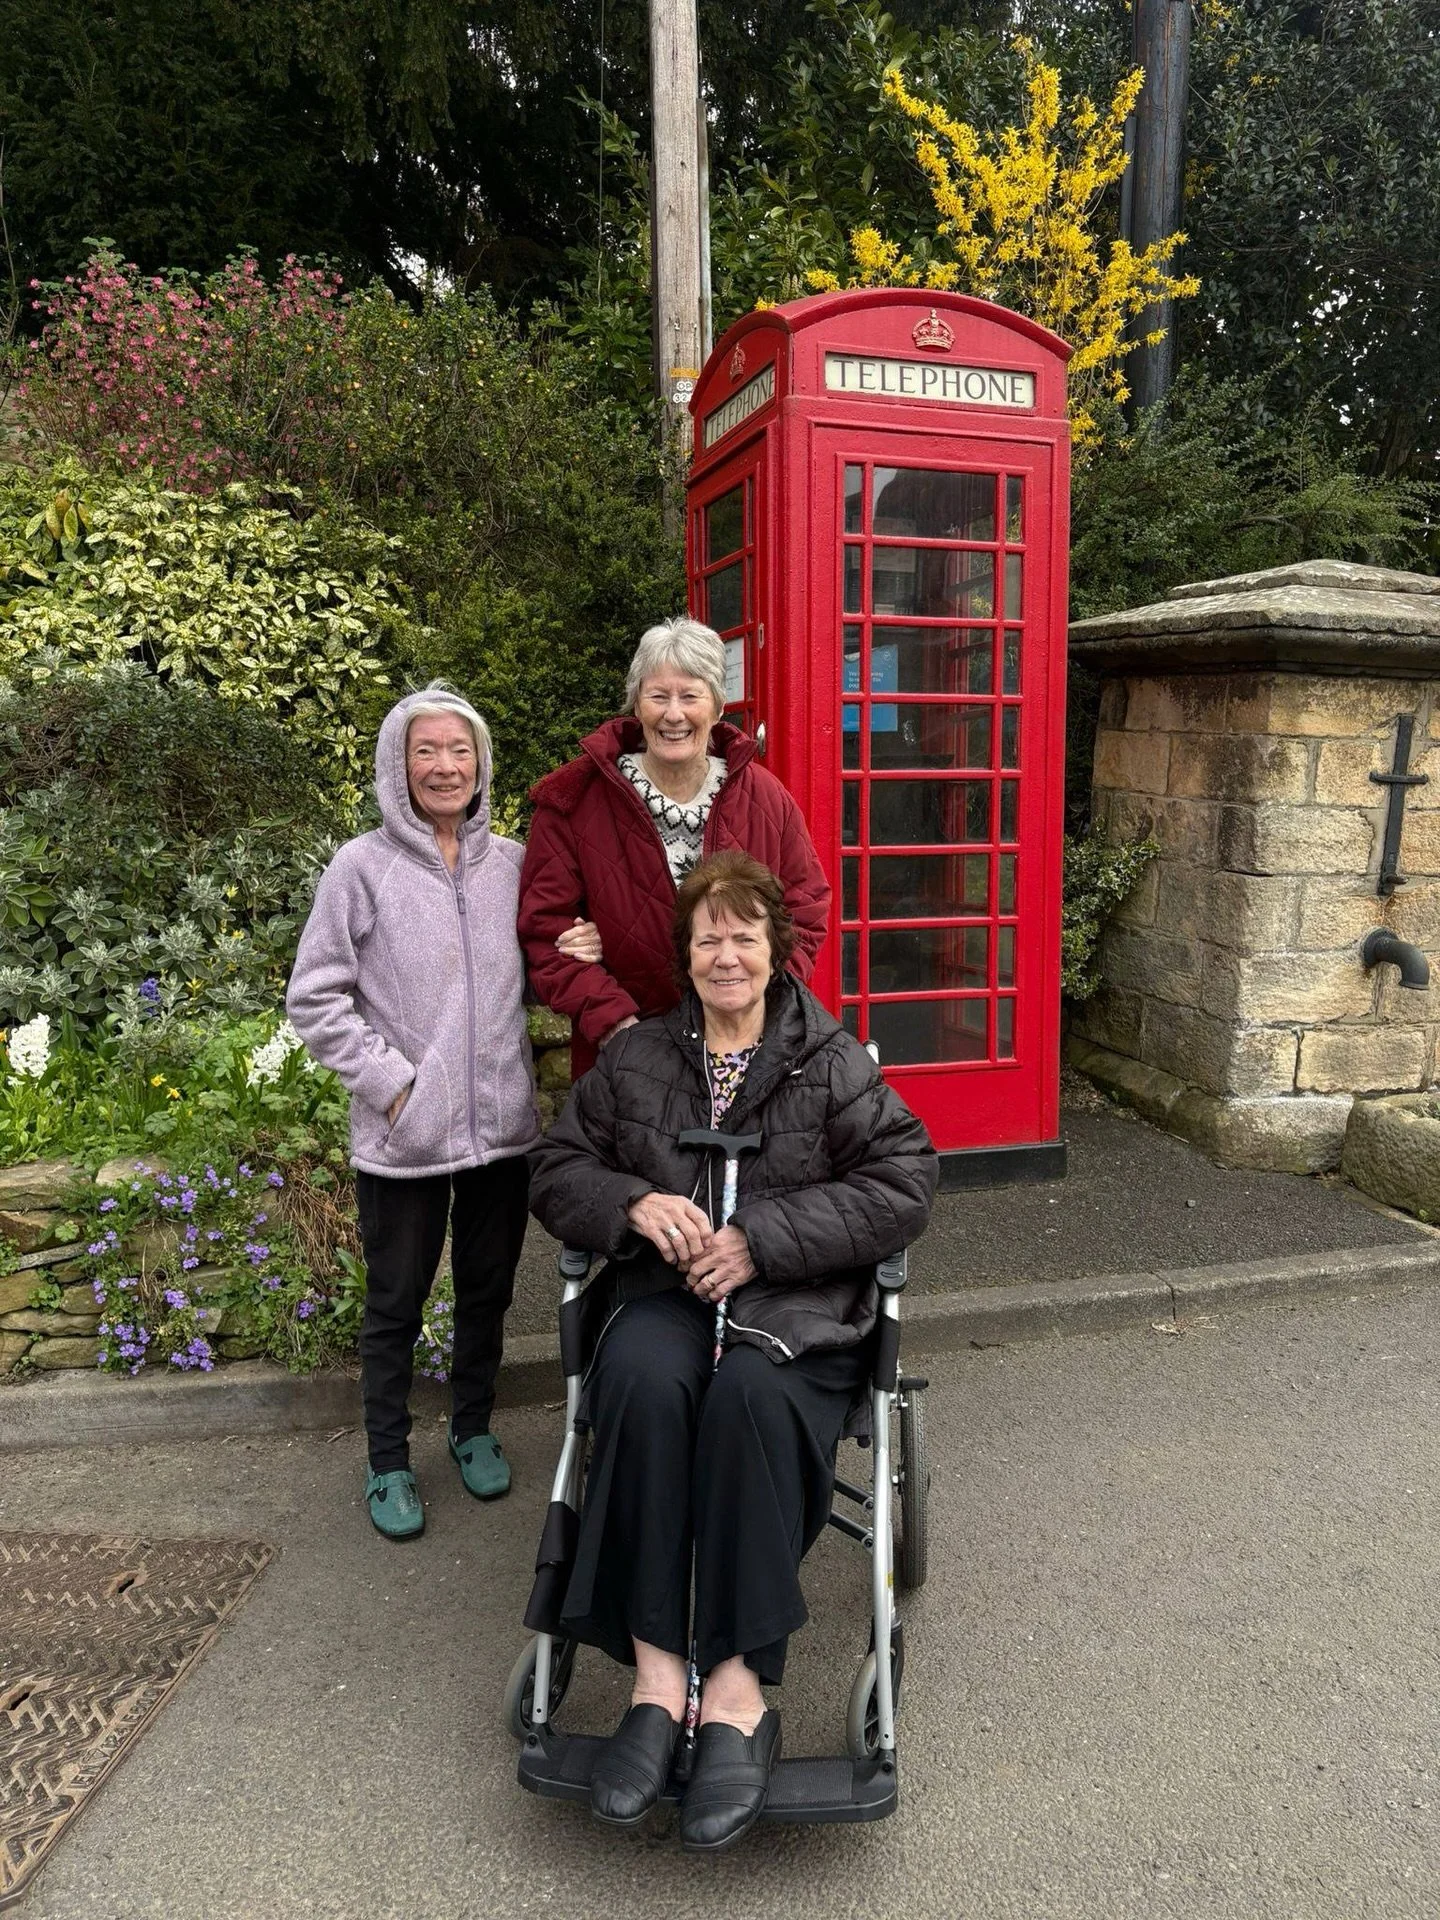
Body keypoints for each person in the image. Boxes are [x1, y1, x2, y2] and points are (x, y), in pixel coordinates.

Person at [528, 851, 937, 1852]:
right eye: (708, 935)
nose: (726, 954)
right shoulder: (638, 1058)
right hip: (667, 1295)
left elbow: (906, 1181)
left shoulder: (829, 1061)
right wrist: (631, 1202)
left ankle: (742, 1690)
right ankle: (660, 1678)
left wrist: (764, 1237)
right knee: (639, 1382)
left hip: (791, 1308)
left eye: (744, 935)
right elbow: (555, 1165)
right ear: (685, 952)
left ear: (775, 950)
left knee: (750, 1398)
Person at [288, 685, 537, 1541]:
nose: (445, 766)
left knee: (488, 1291)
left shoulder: (514, 863)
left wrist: (585, 943)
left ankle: (471, 1429)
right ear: (399, 766)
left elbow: (545, 957)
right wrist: (396, 1086)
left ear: (482, 764)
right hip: (405, 1135)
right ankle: (388, 1458)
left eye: (459, 751)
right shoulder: (361, 868)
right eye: (426, 751)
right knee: (395, 1301)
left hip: (503, 1131)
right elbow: (315, 998)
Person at [518, 615, 831, 1077]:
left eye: (690, 696)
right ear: (636, 704)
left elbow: (807, 909)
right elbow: (547, 932)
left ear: (718, 706)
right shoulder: (575, 800)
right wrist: (616, 1026)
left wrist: (762, 1005)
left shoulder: (766, 797)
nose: (673, 714)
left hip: (747, 1053)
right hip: (623, 1058)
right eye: (658, 695)